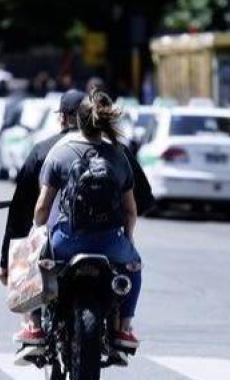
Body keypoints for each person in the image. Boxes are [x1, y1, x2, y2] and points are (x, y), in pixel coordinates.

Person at [0, 90, 153, 281]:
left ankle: (38, 312)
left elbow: (25, 209)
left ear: (63, 118)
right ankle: (127, 312)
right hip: (110, 242)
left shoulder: (51, 152)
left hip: (64, 242)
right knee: (134, 269)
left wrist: (9, 261)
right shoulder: (118, 153)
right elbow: (142, 201)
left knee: (35, 299)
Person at [33, 90, 143, 350]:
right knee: (135, 265)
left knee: (37, 263)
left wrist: (36, 232)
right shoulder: (118, 157)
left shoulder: (60, 154)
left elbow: (42, 207)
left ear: (77, 122)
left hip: (67, 241)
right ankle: (124, 327)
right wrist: (127, 240)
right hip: (109, 244)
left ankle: (35, 325)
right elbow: (130, 211)